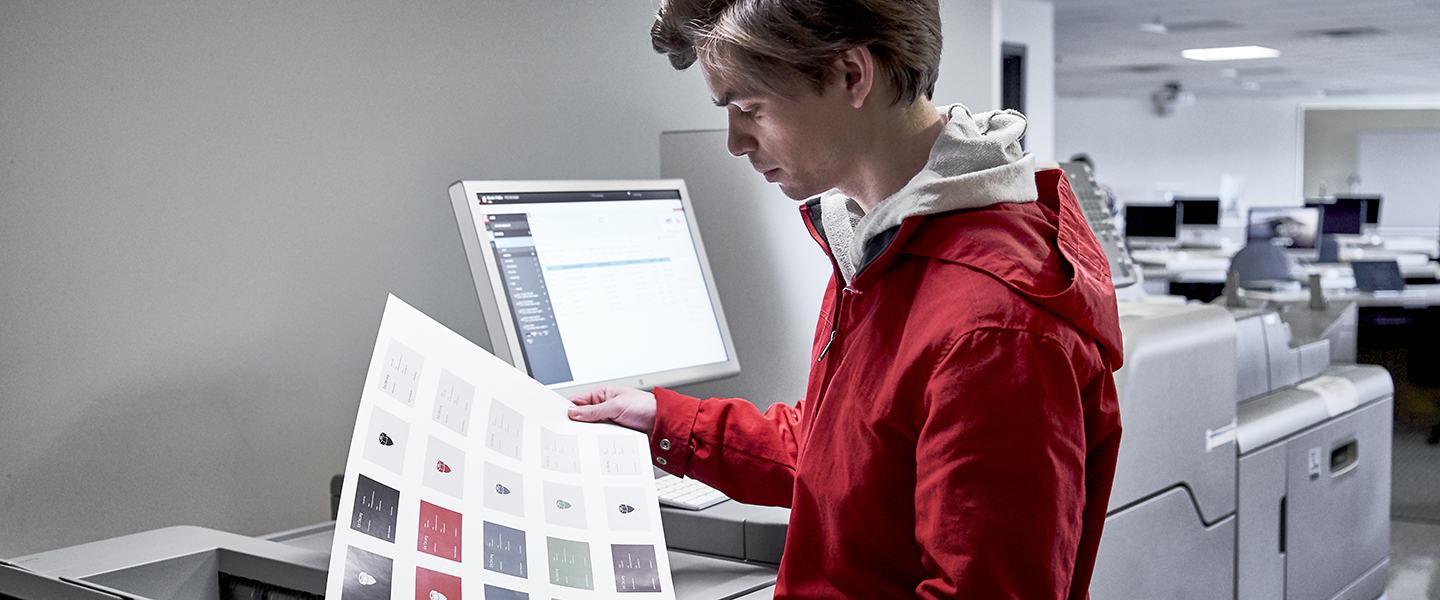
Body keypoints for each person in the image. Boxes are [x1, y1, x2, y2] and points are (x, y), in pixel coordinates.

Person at [568, 1, 1125, 598]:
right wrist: (662, 421)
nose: (734, 141)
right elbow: (847, 451)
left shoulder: (994, 329)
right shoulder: (887, 241)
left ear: (852, 75)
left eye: (749, 107)